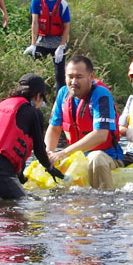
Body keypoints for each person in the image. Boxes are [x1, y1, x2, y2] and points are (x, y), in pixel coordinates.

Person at [0, 73, 64, 200]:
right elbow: (39, 149)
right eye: (42, 99)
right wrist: (50, 167)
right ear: (38, 95)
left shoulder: (0, 106)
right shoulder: (33, 113)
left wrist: (21, 178)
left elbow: (10, 147)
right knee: (21, 209)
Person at [46, 55, 123, 191]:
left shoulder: (101, 94)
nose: (73, 82)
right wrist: (48, 154)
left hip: (108, 157)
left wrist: (64, 153)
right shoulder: (63, 94)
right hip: (76, 157)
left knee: (96, 157)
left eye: (79, 77)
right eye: (70, 77)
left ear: (91, 76)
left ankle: (105, 204)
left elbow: (101, 135)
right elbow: (54, 129)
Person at [24, 0, 70, 90]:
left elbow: (66, 27)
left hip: (57, 42)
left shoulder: (63, 4)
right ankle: (38, 97)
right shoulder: (36, 1)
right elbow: (35, 23)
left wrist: (61, 46)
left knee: (59, 75)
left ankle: (60, 99)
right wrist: (33, 44)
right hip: (42, 41)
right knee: (35, 71)